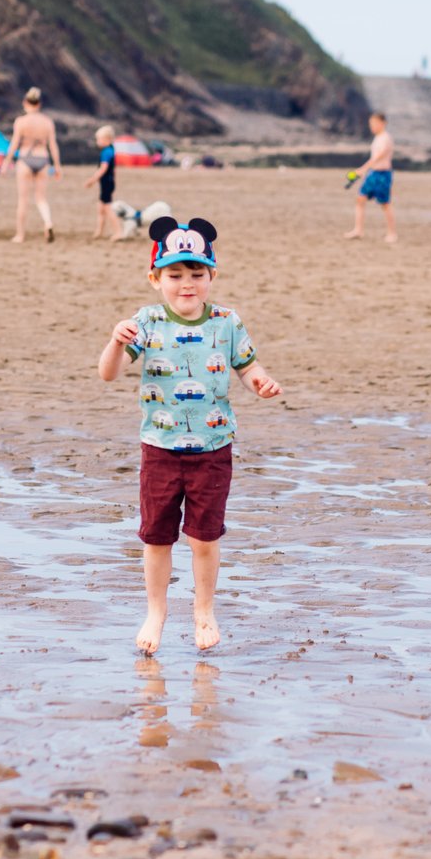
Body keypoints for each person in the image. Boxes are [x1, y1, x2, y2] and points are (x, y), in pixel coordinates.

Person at [97, 217, 282, 655]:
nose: (187, 284)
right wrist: (115, 342)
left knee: (204, 537)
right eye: (175, 275)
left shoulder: (226, 321)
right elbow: (108, 375)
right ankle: (156, 612)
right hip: (159, 449)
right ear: (155, 278)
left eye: (197, 274)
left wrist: (262, 382)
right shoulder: (145, 321)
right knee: (157, 537)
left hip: (213, 450)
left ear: (211, 276)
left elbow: (248, 367)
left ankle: (204, 610)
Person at [0, 86, 62, 243]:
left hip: (25, 159)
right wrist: (57, 166)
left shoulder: (21, 121)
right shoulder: (47, 122)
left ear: (25, 102)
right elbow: (53, 145)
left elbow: (14, 144)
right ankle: (48, 222)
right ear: (39, 103)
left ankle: (20, 235)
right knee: (41, 198)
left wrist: (6, 163)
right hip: (43, 158)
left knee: (23, 199)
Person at [345, 112, 397, 243]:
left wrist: (363, 168)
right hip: (373, 174)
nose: (372, 126)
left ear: (383, 123)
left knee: (385, 203)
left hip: (383, 175)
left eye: (374, 124)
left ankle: (392, 233)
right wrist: (366, 170)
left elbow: (378, 156)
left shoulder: (386, 138)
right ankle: (358, 230)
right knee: (360, 199)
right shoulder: (377, 138)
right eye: (371, 124)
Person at [84, 124, 117, 239]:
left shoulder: (106, 152)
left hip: (107, 183)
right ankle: (99, 231)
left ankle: (118, 232)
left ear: (107, 139)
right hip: (108, 182)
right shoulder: (110, 150)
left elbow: (103, 168)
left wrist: (92, 180)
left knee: (107, 208)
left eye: (99, 139)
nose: (97, 141)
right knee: (101, 208)